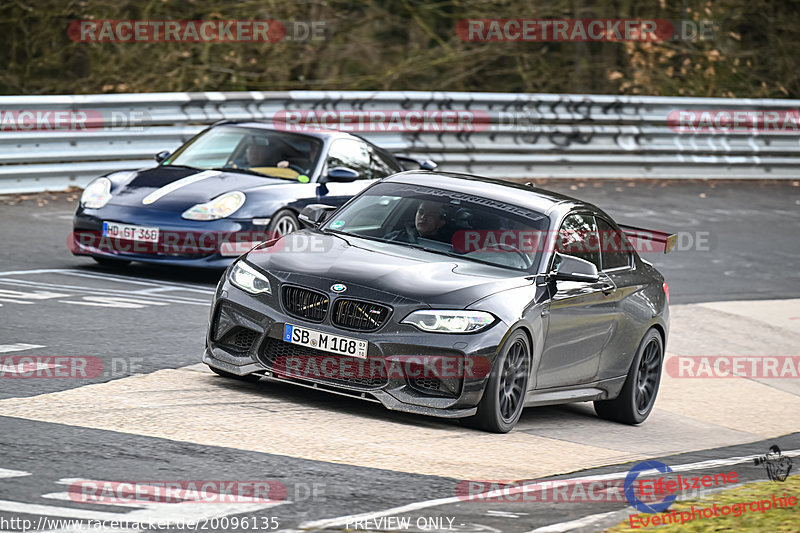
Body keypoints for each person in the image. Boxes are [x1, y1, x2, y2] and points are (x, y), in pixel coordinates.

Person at [385, 200, 452, 243]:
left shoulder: (447, 245)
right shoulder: (396, 236)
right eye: (421, 212)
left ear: (441, 223)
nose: (423, 217)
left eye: (430, 215)